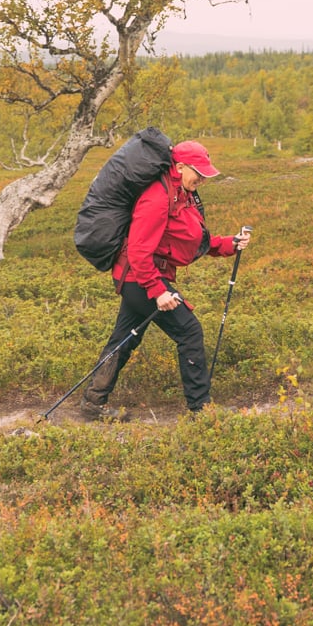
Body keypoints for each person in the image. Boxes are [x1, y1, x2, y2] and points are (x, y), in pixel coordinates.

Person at [77, 140, 251, 421]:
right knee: (189, 331)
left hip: (140, 278)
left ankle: (92, 404)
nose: (203, 179)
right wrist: (158, 291)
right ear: (180, 167)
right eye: (199, 172)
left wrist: (229, 243)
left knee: (123, 340)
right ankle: (201, 408)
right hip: (140, 278)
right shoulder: (157, 197)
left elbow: (190, 240)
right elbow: (138, 250)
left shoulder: (182, 194)